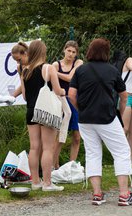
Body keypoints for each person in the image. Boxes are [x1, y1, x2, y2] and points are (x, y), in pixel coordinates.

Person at [68, 38, 132, 206]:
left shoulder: (80, 70)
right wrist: (120, 113)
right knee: (122, 151)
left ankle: (97, 194)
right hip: (107, 117)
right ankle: (124, 194)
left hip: (85, 119)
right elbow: (124, 96)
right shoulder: (112, 70)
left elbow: (71, 95)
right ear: (106, 52)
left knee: (93, 153)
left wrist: (81, 109)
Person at [21, 40, 66, 191]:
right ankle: (47, 183)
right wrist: (63, 92)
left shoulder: (25, 70)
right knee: (48, 147)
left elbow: (25, 96)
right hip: (46, 111)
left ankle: (35, 182)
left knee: (34, 147)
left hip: (31, 110)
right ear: (42, 52)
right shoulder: (48, 68)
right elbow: (58, 90)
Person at [52, 41, 83, 169]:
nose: (70, 54)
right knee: (59, 135)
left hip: (74, 100)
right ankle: (55, 165)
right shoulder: (56, 64)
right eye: (69, 51)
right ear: (64, 50)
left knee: (76, 136)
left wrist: (53, 73)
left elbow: (71, 78)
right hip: (59, 101)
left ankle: (71, 165)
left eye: (73, 52)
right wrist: (52, 71)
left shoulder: (78, 63)